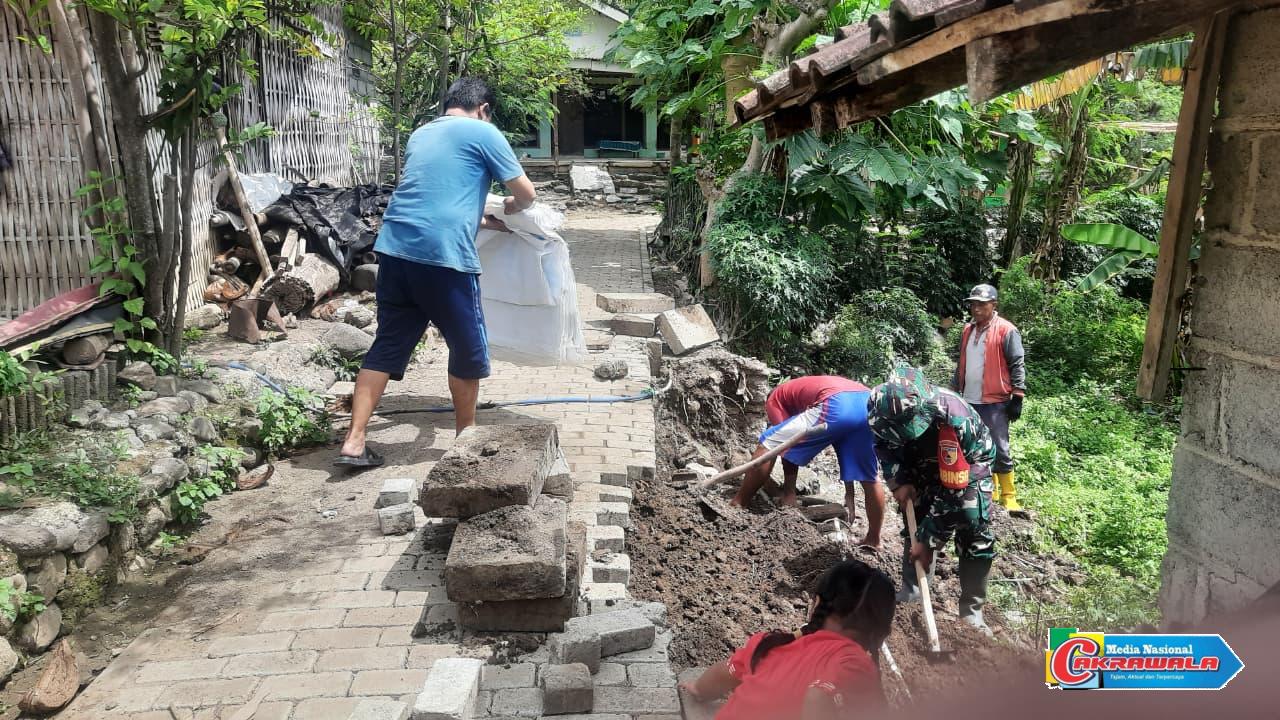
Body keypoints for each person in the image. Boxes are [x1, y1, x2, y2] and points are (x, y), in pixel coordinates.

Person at [335, 78, 536, 468]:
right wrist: (509, 208)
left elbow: (435, 193)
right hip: (444, 257)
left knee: (388, 343)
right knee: (466, 347)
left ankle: (354, 441)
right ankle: (465, 443)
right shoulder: (484, 131)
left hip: (394, 249)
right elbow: (526, 194)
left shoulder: (422, 134)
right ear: (484, 108)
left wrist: (478, 218)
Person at [867, 367, 997, 634]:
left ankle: (972, 611)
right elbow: (883, 447)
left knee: (972, 522)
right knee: (914, 517)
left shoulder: (954, 419)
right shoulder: (881, 409)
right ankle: (912, 593)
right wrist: (898, 482)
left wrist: (929, 540)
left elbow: (954, 493)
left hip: (968, 465)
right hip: (919, 463)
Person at [679, 560, 895, 720]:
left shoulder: (773, 644)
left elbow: (722, 675)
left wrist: (699, 689)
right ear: (881, 631)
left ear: (816, 604)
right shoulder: (853, 662)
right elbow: (818, 696)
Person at [730, 376, 886, 549]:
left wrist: (789, 493)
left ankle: (738, 504)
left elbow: (785, 447)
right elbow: (843, 441)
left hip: (837, 403)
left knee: (768, 442)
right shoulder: (807, 387)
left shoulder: (775, 399)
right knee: (870, 477)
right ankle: (873, 540)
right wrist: (849, 492)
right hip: (868, 406)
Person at [952, 283, 1026, 511]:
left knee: (1000, 447)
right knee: (975, 446)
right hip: (970, 399)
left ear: (993, 305)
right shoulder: (968, 330)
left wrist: (1018, 395)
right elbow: (961, 364)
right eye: (973, 304)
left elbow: (1017, 363)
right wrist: (955, 391)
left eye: (981, 304)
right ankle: (989, 490)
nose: (976, 309)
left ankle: (1009, 494)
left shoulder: (1006, 330)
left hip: (995, 400)